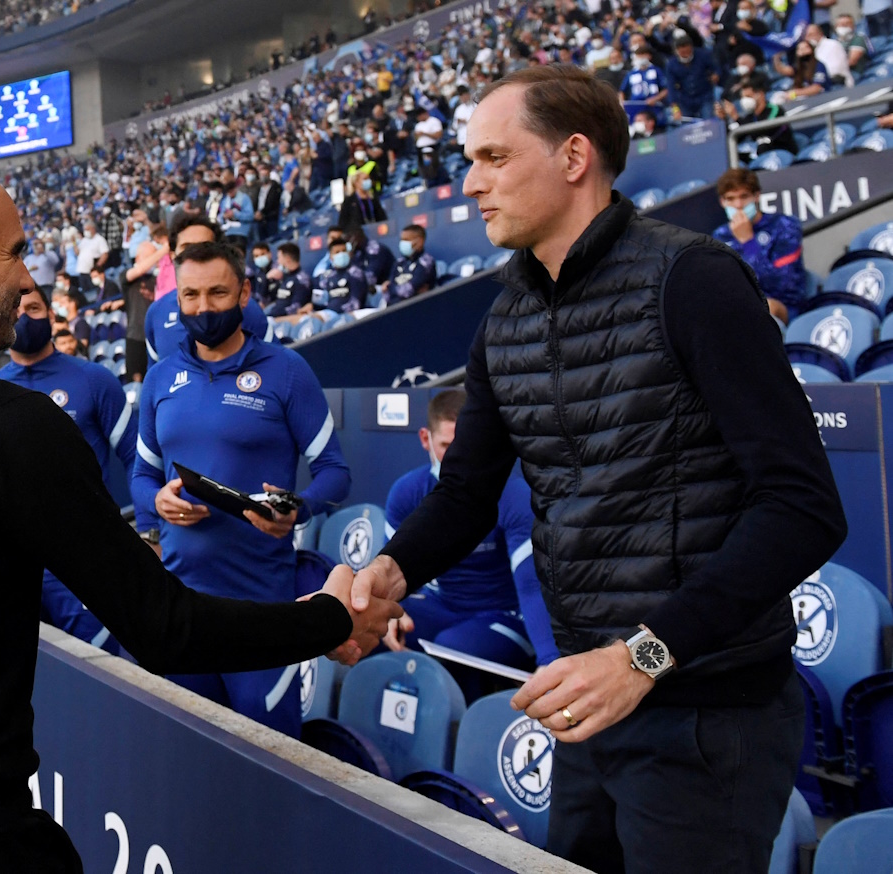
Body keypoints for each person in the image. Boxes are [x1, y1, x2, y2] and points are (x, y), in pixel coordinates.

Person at [0, 162, 397, 871]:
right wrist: (330, 618)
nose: (29, 280)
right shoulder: (6, 425)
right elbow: (164, 627)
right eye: (17, 250)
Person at [339, 65, 846, 874]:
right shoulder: (504, 315)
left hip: (705, 715)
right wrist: (383, 575)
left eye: (494, 158)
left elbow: (804, 508)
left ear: (574, 156)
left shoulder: (695, 279)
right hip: (585, 702)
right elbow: (466, 495)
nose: (470, 184)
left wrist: (640, 657)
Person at [132, 240, 352, 738]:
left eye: (217, 293)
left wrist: (299, 508)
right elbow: (142, 478)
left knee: (270, 763)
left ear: (245, 292)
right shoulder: (162, 378)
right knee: (192, 761)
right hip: (183, 606)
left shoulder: (287, 372)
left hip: (264, 610)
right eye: (190, 296)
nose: (203, 308)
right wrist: (156, 502)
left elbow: (335, 472)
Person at [382, 389, 558, 701]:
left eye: (463, 446)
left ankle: (465, 738)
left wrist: (549, 660)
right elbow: (389, 571)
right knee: (372, 628)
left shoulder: (514, 496)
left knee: (453, 648)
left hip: (505, 615)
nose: (455, 458)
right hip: (445, 607)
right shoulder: (407, 491)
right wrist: (388, 611)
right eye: (445, 446)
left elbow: (532, 586)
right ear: (426, 440)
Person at [0, 284, 136, 651]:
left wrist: (149, 535)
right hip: (14, 565)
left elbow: (137, 458)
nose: (25, 316)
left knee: (108, 670)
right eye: (17, 308)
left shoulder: (93, 379)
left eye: (35, 309)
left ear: (52, 317)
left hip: (85, 558)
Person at [143, 215, 271, 364]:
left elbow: (275, 367)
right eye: (187, 248)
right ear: (172, 256)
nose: (196, 255)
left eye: (205, 247)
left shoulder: (246, 308)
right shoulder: (156, 313)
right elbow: (156, 379)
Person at [712, 168, 805, 320]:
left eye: (744, 196)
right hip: (739, 307)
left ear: (756, 196)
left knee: (765, 307)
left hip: (784, 307)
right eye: (731, 199)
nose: (738, 205)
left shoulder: (784, 226)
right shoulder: (720, 236)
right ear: (722, 202)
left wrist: (748, 242)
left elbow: (782, 285)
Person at [717, 79, 799, 155]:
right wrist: (724, 120)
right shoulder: (750, 117)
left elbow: (762, 130)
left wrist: (736, 117)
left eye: (748, 96)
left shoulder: (775, 110)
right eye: (742, 97)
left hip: (783, 152)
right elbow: (736, 138)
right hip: (764, 154)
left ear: (760, 94)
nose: (744, 100)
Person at [665, 34, 719, 120]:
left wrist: (716, 75)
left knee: (708, 121)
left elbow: (716, 68)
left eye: (687, 51)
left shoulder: (703, 55)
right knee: (686, 126)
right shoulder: (671, 64)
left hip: (704, 96)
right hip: (685, 99)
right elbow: (671, 86)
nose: (685, 55)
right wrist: (675, 108)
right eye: (682, 53)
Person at [311, 236, 369, 313]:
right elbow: (313, 296)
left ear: (349, 253)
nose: (341, 254)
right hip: (328, 314)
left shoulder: (356, 273)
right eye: (337, 252)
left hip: (348, 315)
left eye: (344, 251)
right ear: (330, 257)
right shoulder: (325, 277)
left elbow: (356, 302)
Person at [384, 224, 437, 305]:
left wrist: (389, 288)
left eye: (406, 240)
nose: (402, 243)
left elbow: (408, 291)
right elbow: (387, 294)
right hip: (394, 308)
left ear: (420, 242)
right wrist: (390, 288)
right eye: (401, 240)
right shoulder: (399, 262)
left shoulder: (426, 262)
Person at [265, 242, 313, 317]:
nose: (277, 261)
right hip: (274, 314)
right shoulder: (284, 276)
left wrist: (271, 315)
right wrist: (267, 279)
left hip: (285, 319)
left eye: (279, 258)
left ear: (287, 259)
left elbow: (295, 308)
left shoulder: (302, 280)